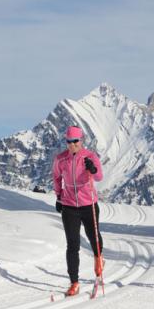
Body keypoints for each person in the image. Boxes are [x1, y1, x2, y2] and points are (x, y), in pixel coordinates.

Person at [52, 125, 104, 296]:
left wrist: (93, 169)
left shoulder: (90, 156)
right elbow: (57, 177)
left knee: (93, 236)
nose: (72, 145)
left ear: (81, 141)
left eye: (75, 141)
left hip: (88, 203)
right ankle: (74, 282)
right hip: (69, 206)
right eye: (69, 142)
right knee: (72, 245)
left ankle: (98, 258)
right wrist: (59, 196)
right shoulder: (61, 159)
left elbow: (99, 177)